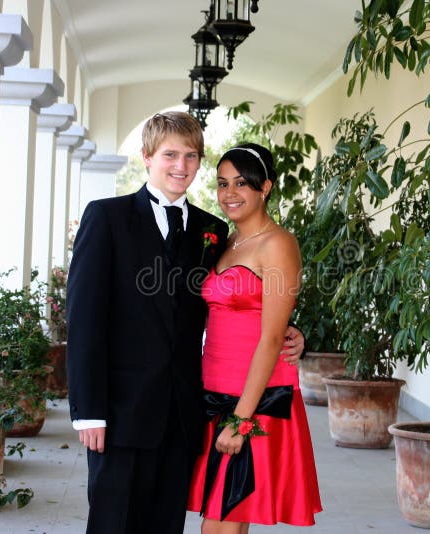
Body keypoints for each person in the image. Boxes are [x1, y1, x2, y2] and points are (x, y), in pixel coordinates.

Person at [66, 112, 304, 534]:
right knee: (112, 524)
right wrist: (88, 412)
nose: (181, 166)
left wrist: (294, 333)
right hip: (120, 413)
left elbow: (242, 300)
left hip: (184, 415)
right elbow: (83, 320)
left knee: (166, 524)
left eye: (191, 156)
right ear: (147, 157)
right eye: (170, 154)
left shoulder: (212, 231)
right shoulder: (106, 217)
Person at [187, 143, 322, 532]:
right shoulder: (224, 240)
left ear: (266, 187)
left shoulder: (279, 244)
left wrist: (241, 420)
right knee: (230, 521)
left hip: (253, 397)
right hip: (214, 390)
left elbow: (271, 337)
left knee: (220, 523)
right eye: (223, 183)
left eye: (242, 183)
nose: (230, 193)